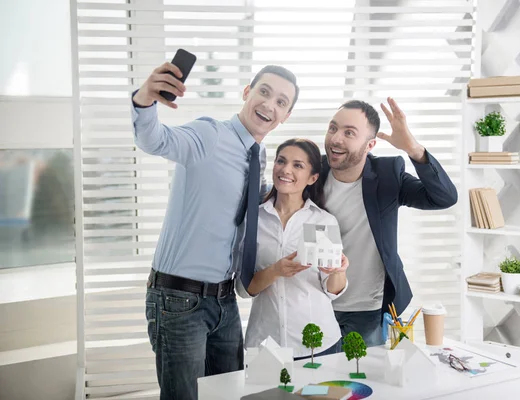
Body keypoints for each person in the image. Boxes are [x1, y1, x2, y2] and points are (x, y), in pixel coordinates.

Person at [131, 62, 299, 400]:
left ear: (286, 116)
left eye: (281, 102)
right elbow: (155, 140)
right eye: (264, 92)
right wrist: (144, 100)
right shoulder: (209, 134)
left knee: (228, 393)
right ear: (247, 92)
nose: (269, 105)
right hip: (179, 300)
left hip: (224, 300)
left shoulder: (259, 155)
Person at [320, 98, 458, 347]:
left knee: (364, 383)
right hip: (316, 305)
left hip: (369, 311)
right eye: (333, 128)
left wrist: (414, 150)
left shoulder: (387, 175)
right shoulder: (312, 171)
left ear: (370, 144)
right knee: (315, 384)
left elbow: (444, 198)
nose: (336, 139)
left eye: (349, 132)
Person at [241, 138, 349, 359]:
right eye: (281, 161)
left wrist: (339, 271)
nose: (286, 169)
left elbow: (331, 290)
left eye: (298, 165)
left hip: (319, 345)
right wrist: (276, 271)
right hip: (265, 344)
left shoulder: (323, 221)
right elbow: (244, 289)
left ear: (313, 178)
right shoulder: (254, 220)